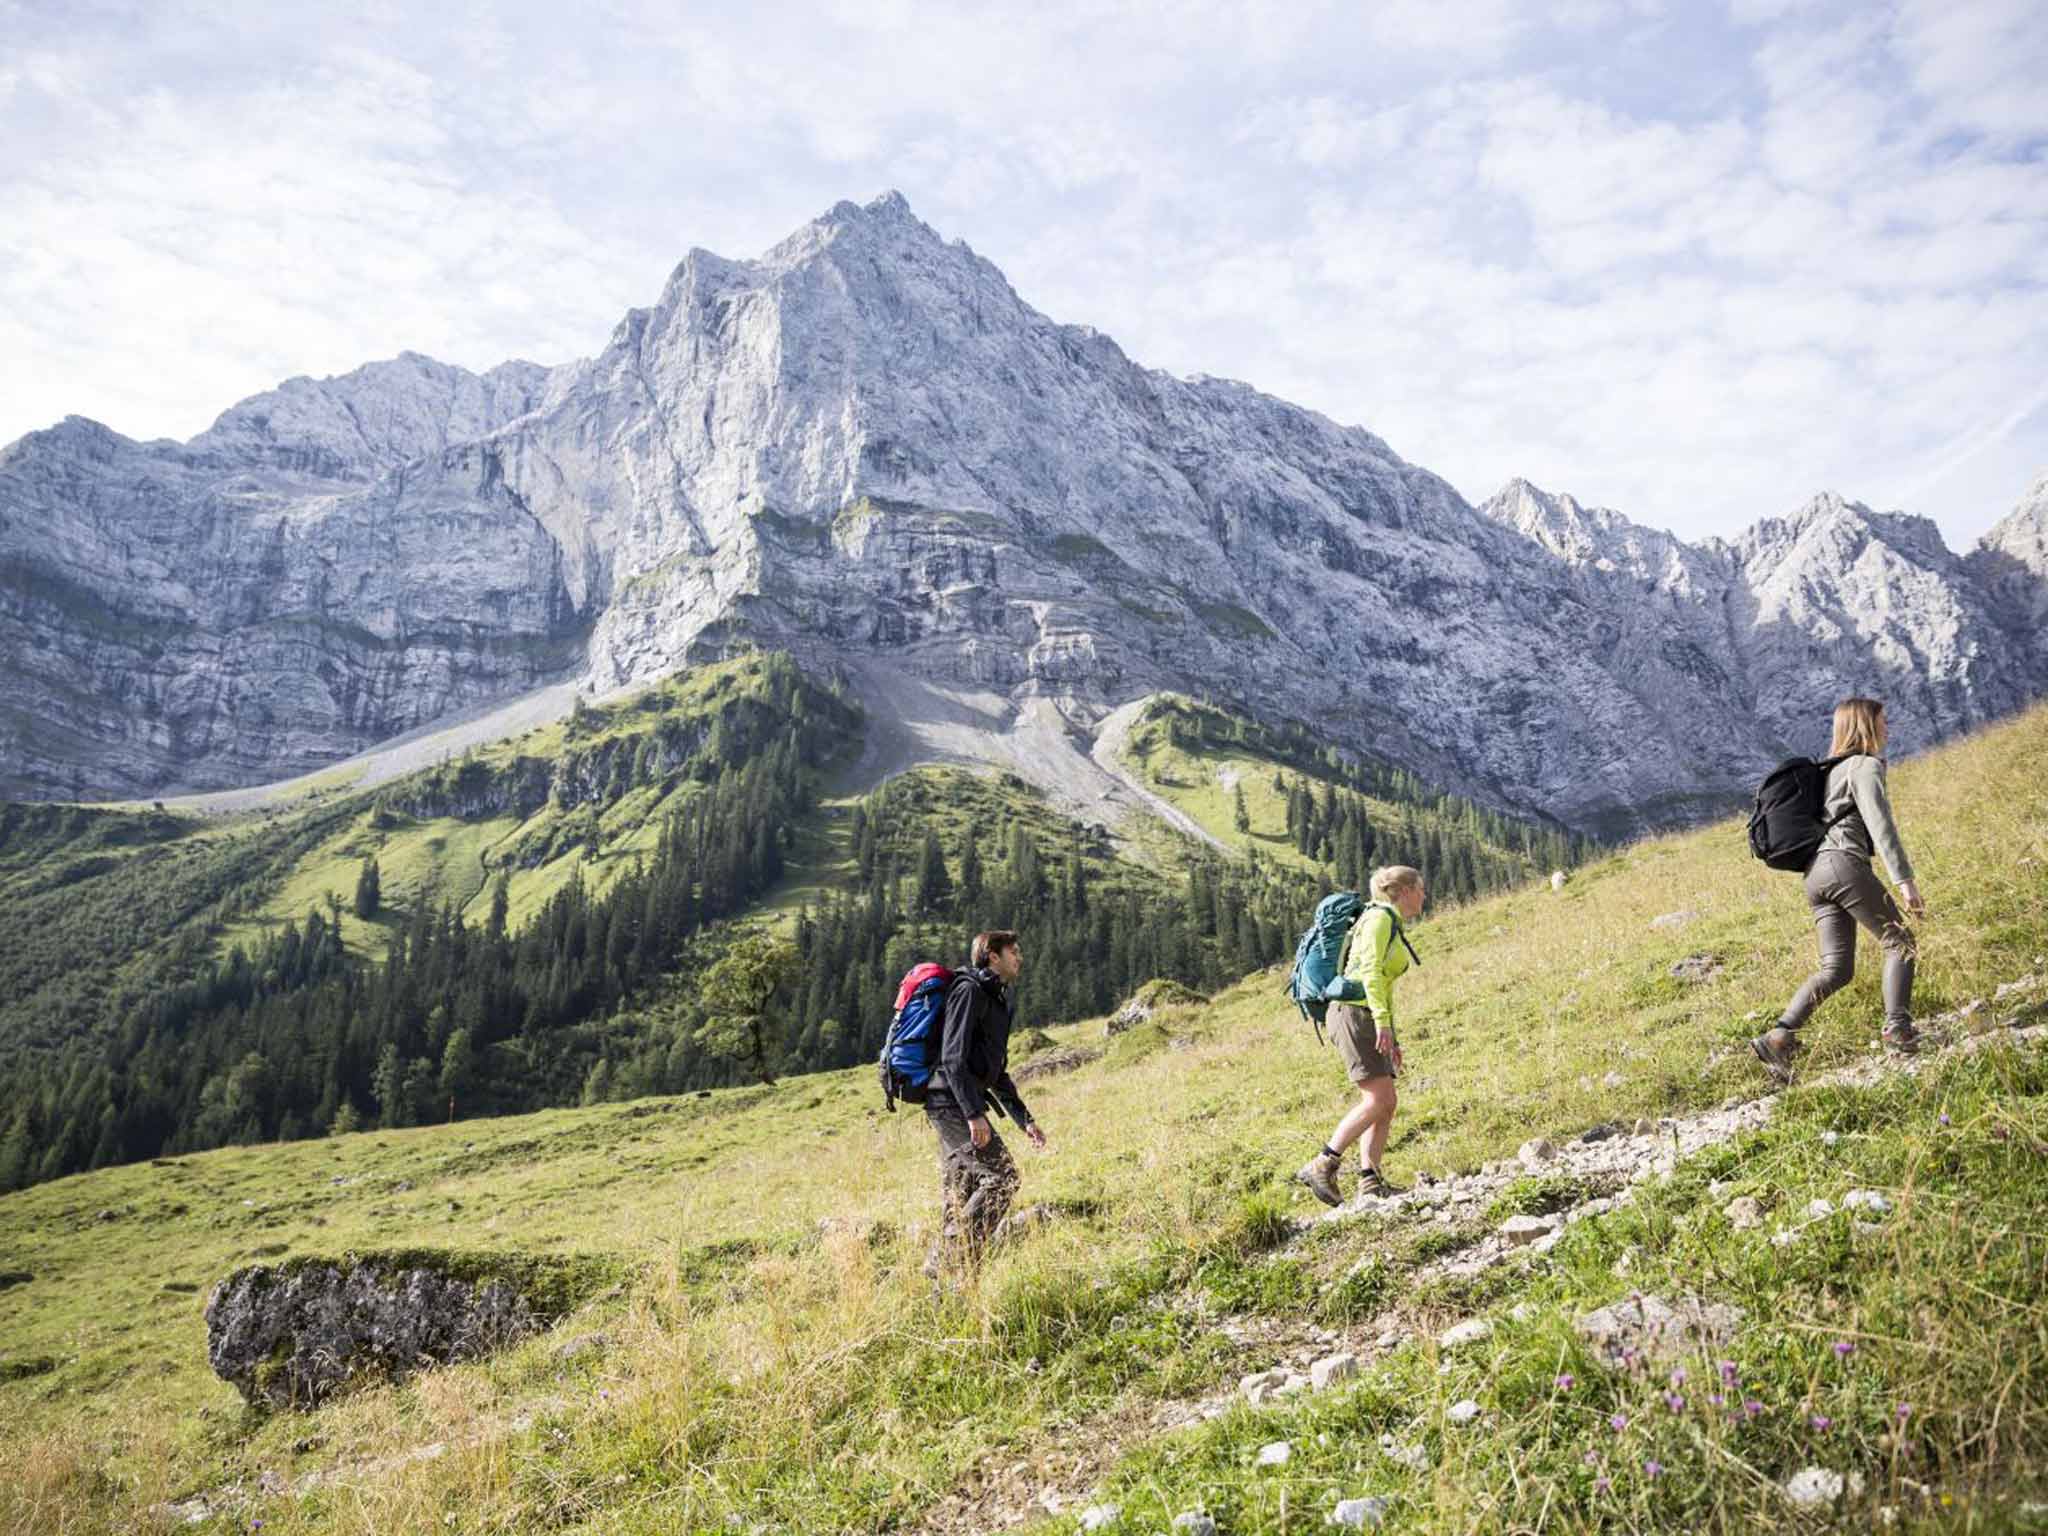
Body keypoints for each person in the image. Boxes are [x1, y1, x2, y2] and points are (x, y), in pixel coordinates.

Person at [1753, 697, 1925, 1079]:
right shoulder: (1864, 766)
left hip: (1816, 874)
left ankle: (1779, 1038)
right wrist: (1905, 881)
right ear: (1866, 725)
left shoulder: (1831, 772)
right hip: (1844, 864)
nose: (1888, 729)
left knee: (1836, 969)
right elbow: (1880, 824)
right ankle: (1898, 1029)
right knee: (1901, 943)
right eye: (1883, 721)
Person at [1297, 866, 1424, 1205]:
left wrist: (1391, 1033)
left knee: (1387, 1102)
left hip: (1367, 1014)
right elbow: (1368, 971)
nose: (1424, 896)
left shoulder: (1387, 921)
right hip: (1354, 1014)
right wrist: (1382, 1022)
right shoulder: (1380, 919)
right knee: (1377, 1100)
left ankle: (1370, 1180)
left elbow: (1383, 982)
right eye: (1420, 889)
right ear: (1405, 890)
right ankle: (1323, 1162)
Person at [924, 929, 1048, 1273]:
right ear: (993, 956)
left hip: (960, 1102)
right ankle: (949, 1260)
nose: (1020, 958)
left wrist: (1025, 1120)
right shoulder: (969, 991)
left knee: (959, 1197)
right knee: (1002, 1176)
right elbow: (952, 1058)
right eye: (1014, 951)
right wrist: (973, 1114)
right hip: (949, 1102)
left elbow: (995, 1070)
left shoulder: (998, 1000)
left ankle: (951, 1289)